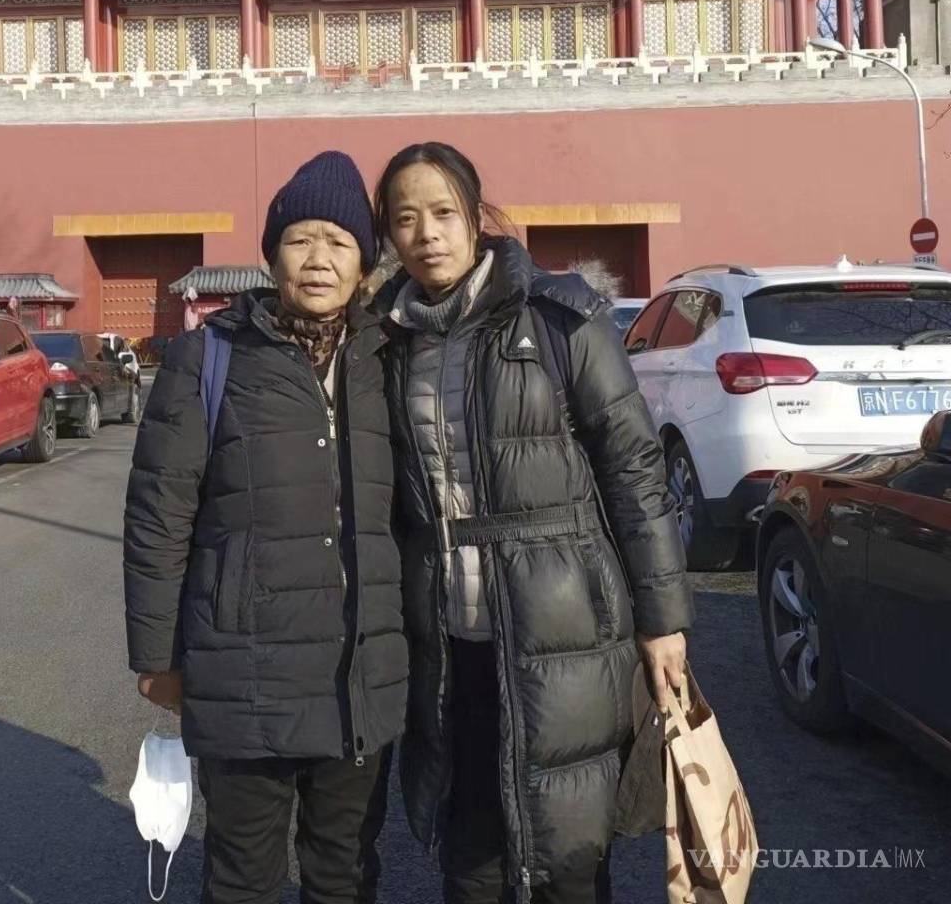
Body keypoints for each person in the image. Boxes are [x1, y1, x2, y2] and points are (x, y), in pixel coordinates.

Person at [372, 142, 693, 904]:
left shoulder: (559, 319)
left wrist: (665, 621)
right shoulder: (385, 341)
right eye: (406, 219)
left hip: (565, 627)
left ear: (477, 218)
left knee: (568, 853)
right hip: (449, 639)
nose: (427, 235)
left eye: (444, 213)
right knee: (472, 850)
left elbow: (634, 470)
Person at [124, 150, 407, 904]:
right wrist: (155, 654)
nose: (319, 260)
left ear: (364, 264)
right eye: (300, 239)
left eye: (339, 243)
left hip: (359, 673)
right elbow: (158, 516)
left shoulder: (388, 360)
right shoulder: (208, 357)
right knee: (243, 876)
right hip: (241, 673)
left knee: (344, 873)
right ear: (272, 252)